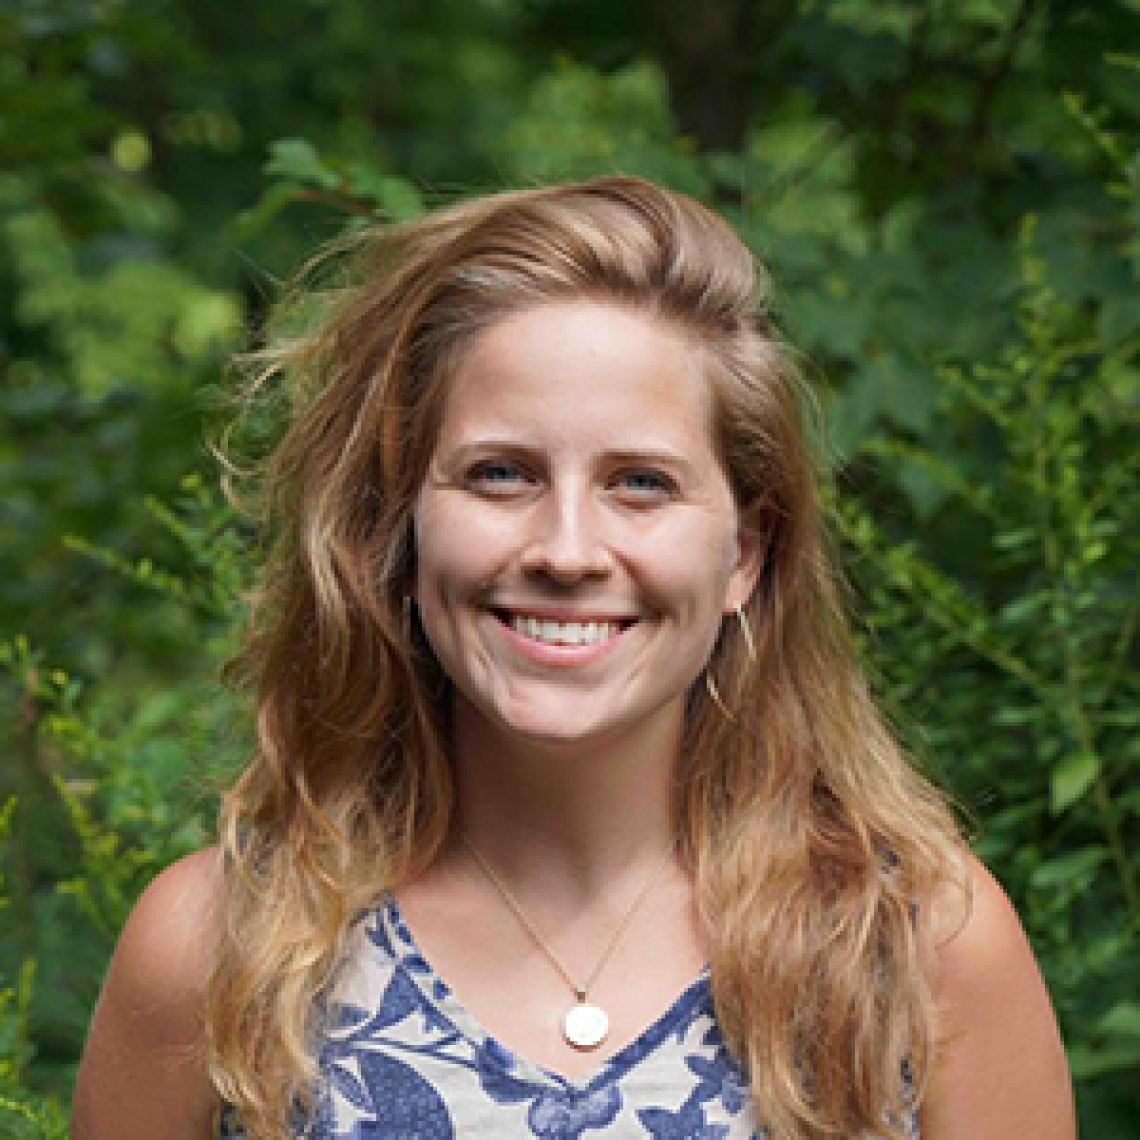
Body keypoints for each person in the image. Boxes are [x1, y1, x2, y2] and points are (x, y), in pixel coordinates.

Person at [71, 177, 1074, 1140]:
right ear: (399, 528)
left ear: (747, 553)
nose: (565, 549)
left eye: (640, 483)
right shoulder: (219, 951)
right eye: (499, 473)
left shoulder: (917, 948)